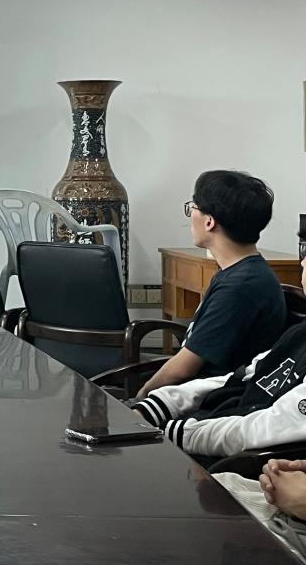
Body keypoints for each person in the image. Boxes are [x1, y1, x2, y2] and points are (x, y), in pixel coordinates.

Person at [130, 251, 306, 460]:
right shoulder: (299, 331)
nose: (302, 261)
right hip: (211, 422)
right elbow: (243, 376)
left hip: (235, 457)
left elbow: (267, 428)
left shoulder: (242, 285)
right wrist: (155, 405)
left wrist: (167, 432)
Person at [136, 170, 285, 398]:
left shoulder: (240, 287)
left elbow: (183, 369)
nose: (190, 214)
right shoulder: (239, 273)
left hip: (212, 400)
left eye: (193, 207)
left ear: (209, 221)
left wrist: (142, 395)